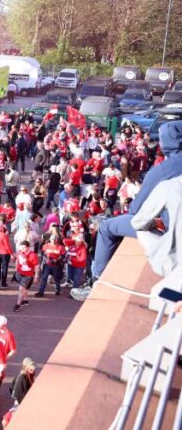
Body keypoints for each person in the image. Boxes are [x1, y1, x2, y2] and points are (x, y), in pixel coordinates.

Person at [73, 121, 182, 301]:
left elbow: (136, 211)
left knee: (106, 227)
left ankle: (96, 283)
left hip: (172, 240)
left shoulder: (163, 171)